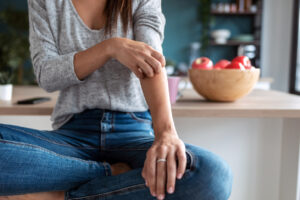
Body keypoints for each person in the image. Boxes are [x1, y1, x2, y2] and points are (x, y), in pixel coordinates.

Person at [0, 0, 233, 199]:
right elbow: (46, 75)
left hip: (133, 131)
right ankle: (109, 175)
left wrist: (166, 134)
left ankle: (62, 195)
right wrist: (110, 47)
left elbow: (151, 60)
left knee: (212, 174)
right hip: (73, 136)